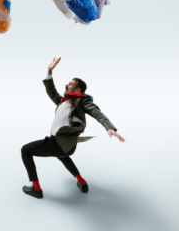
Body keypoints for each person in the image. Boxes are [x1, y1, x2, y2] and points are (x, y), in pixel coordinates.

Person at [21, 57, 125, 199]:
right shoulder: (64, 101)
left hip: (57, 143)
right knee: (63, 156)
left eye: (70, 84)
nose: (66, 84)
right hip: (67, 145)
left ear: (78, 89)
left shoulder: (81, 100)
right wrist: (49, 70)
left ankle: (36, 189)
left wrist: (109, 128)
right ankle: (82, 182)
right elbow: (51, 91)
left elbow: (96, 112)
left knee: (25, 150)